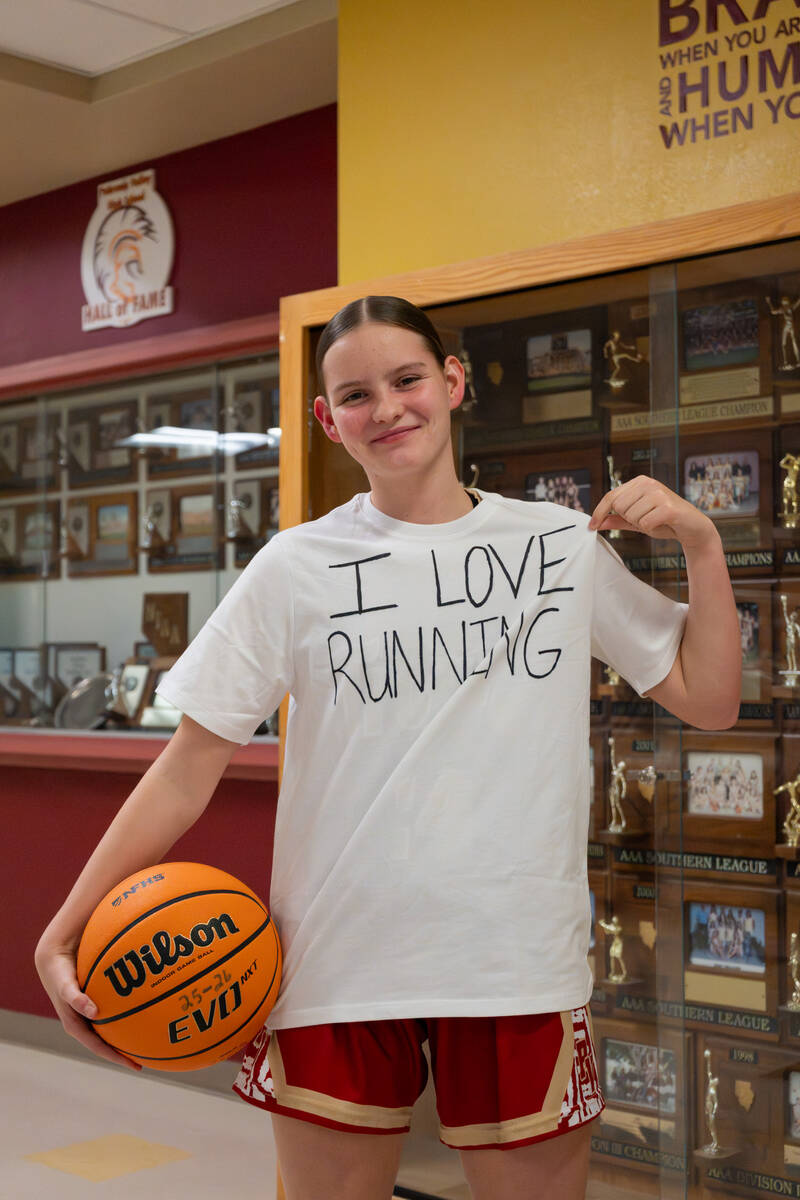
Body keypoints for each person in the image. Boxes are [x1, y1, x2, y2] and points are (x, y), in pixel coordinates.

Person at [35, 295, 741, 1200]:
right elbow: (186, 769)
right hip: (336, 959)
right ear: (328, 421)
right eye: (356, 395)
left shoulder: (555, 545)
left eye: (407, 379)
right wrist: (63, 931)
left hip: (511, 960)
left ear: (451, 384)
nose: (389, 407)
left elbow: (712, 701)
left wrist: (704, 544)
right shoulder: (293, 566)